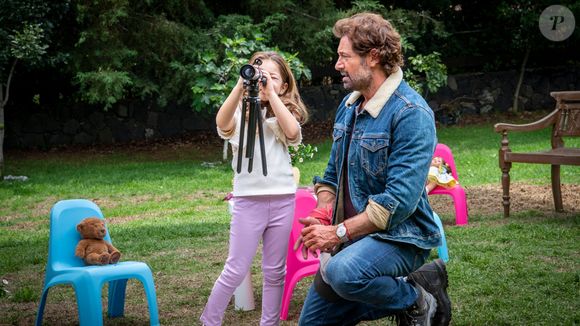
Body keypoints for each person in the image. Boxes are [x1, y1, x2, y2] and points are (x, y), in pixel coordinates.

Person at [294, 13, 451, 325]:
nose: (338, 65)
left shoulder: (411, 113)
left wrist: (336, 231)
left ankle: (418, 297)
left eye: (344, 56)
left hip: (401, 238)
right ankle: (420, 286)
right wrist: (325, 212)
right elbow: (329, 176)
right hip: (351, 240)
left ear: (374, 57)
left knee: (343, 273)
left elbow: (397, 204)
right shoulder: (350, 106)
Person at [200, 51, 309, 326]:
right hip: (249, 201)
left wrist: (271, 94)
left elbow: (293, 133)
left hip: (283, 198)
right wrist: (240, 87)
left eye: (273, 78)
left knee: (275, 272)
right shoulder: (241, 109)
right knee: (235, 268)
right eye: (260, 76)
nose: (265, 81)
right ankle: (209, 321)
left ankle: (269, 323)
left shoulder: (284, 109)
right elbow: (222, 124)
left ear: (284, 86)